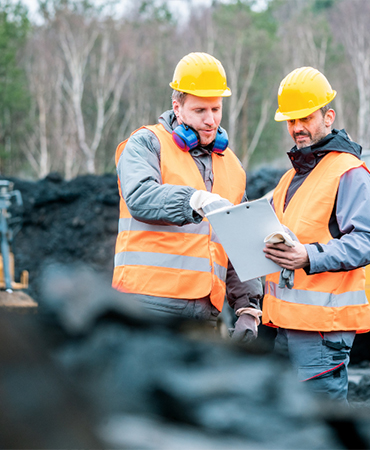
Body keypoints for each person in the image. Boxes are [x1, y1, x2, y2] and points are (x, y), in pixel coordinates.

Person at [112, 52, 262, 342]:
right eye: (200, 111)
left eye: (216, 109)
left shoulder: (232, 166)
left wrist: (247, 310)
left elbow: (241, 244)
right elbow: (140, 196)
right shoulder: (146, 143)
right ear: (176, 107)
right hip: (147, 308)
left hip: (204, 314)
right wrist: (195, 199)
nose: (211, 121)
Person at [262, 67, 370, 402]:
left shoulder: (349, 173)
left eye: (305, 118)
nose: (297, 128)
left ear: (328, 116)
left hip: (321, 332)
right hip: (285, 327)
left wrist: (308, 256)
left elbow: (369, 242)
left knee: (321, 430)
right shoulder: (290, 179)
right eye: (290, 121)